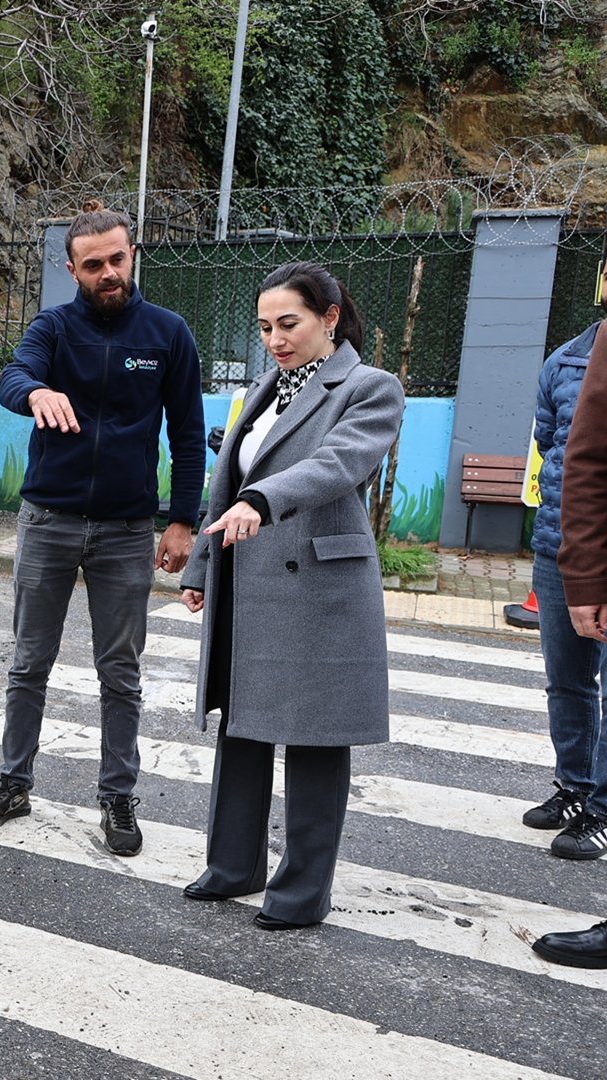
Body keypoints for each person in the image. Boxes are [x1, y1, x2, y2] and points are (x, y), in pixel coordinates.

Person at [0, 204, 205, 857]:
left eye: (116, 259)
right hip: (49, 520)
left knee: (120, 672)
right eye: (93, 264)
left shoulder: (168, 334)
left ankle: (118, 796)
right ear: (72, 270)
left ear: (133, 255)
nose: (108, 273)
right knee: (28, 663)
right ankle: (13, 783)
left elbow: (188, 434)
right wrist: (35, 393)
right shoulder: (53, 328)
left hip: (126, 529)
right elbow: (15, 375)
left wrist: (182, 521)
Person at [177, 261, 403, 930]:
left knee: (316, 738)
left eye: (288, 324)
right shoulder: (262, 388)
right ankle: (233, 866)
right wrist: (200, 566)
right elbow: (225, 481)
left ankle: (302, 892)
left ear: (329, 318)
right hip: (246, 578)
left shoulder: (368, 387)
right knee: (240, 724)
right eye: (264, 327)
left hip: (319, 587)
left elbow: (338, 464)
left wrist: (262, 500)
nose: (274, 339)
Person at [534, 312, 607, 968]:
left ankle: (600, 810)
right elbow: (566, 450)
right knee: (568, 679)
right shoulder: (566, 360)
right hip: (564, 546)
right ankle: (576, 787)